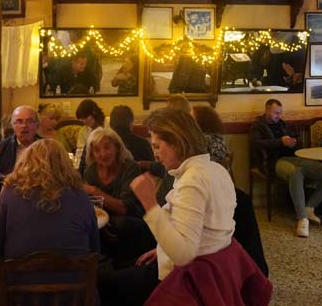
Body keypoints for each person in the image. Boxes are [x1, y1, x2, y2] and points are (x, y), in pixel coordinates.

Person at [99, 108, 237, 305]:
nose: (155, 155)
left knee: (100, 283)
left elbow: (182, 255)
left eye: (157, 147)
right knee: (123, 263)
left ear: (177, 142)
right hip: (210, 268)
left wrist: (149, 203)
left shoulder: (192, 181)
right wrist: (162, 248)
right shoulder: (216, 169)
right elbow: (207, 232)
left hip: (186, 280)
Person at [0, 139, 99, 291]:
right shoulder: (81, 196)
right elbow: (95, 251)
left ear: (26, 162)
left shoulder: (10, 194)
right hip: (76, 295)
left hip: (19, 296)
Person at [249, 99, 322, 237]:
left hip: (295, 158)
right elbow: (256, 144)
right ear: (266, 110)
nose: (279, 116)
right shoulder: (258, 126)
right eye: (276, 113)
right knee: (297, 172)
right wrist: (280, 142)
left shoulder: (283, 124)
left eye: (280, 113)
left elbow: (295, 141)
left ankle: (309, 207)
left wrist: (293, 143)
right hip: (274, 162)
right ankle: (302, 218)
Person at [0, 106, 40, 205]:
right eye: (19, 121)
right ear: (12, 125)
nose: (24, 126)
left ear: (37, 125)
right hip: (6, 208)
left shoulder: (49, 150)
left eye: (30, 121)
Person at [83, 128, 143, 218]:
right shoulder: (90, 172)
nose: (103, 154)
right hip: (102, 222)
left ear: (117, 147)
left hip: (130, 221)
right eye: (97, 150)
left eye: (107, 147)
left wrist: (94, 191)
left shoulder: (131, 168)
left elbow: (124, 209)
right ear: (92, 154)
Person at [73, 99, 106, 173]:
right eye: (82, 119)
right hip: (91, 166)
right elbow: (80, 153)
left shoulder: (108, 125)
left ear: (94, 113)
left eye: (86, 118)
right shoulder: (83, 131)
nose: (84, 121)